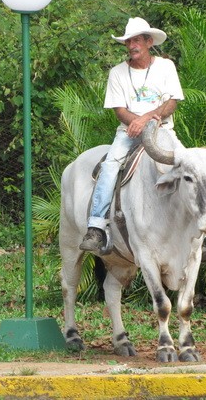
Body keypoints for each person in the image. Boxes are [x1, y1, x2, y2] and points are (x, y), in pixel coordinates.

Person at [79, 17, 184, 254]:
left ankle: (198, 231)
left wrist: (145, 119)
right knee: (110, 165)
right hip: (128, 132)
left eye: (136, 40)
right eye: (128, 41)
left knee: (187, 163)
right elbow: (119, 109)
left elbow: (171, 103)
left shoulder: (166, 67)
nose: (131, 45)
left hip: (162, 130)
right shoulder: (117, 72)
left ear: (148, 42)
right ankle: (96, 227)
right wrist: (135, 123)